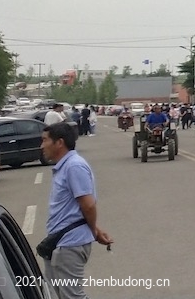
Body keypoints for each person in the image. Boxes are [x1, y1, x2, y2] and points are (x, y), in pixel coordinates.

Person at [41, 122, 114, 299]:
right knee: (58, 294)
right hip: (61, 241)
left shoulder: (74, 166)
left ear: (59, 143)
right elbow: (77, 210)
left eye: (45, 140)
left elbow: (88, 205)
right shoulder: (66, 166)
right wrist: (96, 231)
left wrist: (93, 231)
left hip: (69, 244)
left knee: (72, 296)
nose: (42, 146)